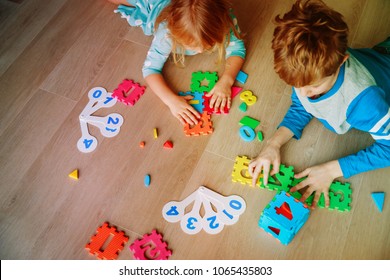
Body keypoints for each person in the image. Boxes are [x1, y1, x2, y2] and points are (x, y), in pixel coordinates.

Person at [248, 0, 390, 208]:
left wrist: (331, 170)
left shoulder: (364, 103)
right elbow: (302, 106)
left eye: (313, 88)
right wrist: (273, 144)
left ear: (342, 61)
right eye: (296, 86)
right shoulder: (311, 71)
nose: (303, 93)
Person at [107, 0, 246, 125]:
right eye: (191, 46)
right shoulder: (166, 33)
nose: (199, 51)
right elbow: (150, 70)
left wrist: (227, 80)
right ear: (175, 34)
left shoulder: (225, 19)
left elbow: (237, 50)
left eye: (208, 45)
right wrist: (170, 100)